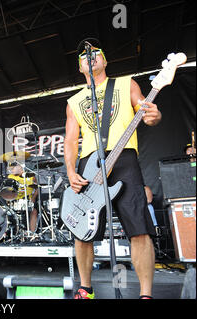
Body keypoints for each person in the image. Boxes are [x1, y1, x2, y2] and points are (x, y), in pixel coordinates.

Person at [64, 38, 162, 299]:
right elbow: (71, 140)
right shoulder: (74, 101)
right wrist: (71, 172)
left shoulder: (125, 84)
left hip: (124, 160)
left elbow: (144, 107)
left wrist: (153, 114)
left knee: (139, 227)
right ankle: (86, 288)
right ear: (80, 67)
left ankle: (145, 294)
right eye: (84, 56)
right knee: (83, 231)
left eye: (96, 52)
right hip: (89, 165)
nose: (90, 56)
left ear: (105, 61)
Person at [7, 164, 39, 232]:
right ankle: (13, 233)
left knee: (34, 211)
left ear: (21, 169)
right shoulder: (10, 177)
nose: (11, 170)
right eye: (11, 169)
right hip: (15, 201)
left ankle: (32, 233)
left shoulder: (31, 177)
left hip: (28, 200)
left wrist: (33, 198)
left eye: (13, 169)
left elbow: (37, 188)